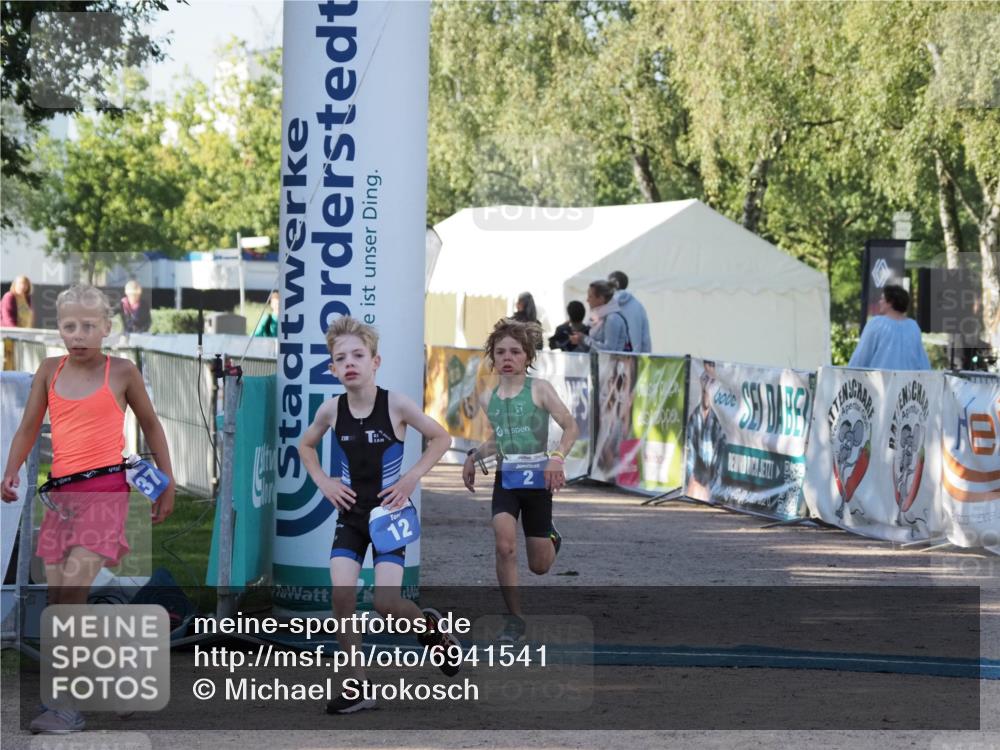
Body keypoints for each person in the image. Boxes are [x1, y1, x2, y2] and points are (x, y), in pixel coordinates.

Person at [1, 284, 175, 734]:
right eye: (68, 326)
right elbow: (26, 428)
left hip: (107, 494)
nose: (77, 335)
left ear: (107, 328)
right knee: (57, 600)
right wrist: (12, 470)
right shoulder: (47, 370)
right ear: (58, 328)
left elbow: (152, 427)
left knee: (73, 596)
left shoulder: (122, 372)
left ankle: (66, 707)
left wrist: (167, 482)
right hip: (60, 498)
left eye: (88, 326)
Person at [298, 316, 461, 714]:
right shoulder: (332, 410)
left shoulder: (397, 404)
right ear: (333, 369)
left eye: (358, 355)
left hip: (389, 517)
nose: (350, 362)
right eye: (341, 358)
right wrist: (324, 482)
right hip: (351, 517)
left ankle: (432, 630)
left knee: (387, 605)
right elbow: (305, 446)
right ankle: (358, 685)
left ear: (376, 361)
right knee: (342, 596)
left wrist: (411, 479)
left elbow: (441, 437)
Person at [462, 318, 578, 643]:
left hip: (538, 482)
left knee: (539, 566)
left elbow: (571, 427)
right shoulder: (488, 398)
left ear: (527, 356)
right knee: (504, 544)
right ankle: (515, 620)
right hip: (507, 481)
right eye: (501, 352)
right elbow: (499, 440)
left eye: (515, 351)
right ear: (493, 357)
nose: (508, 358)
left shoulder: (540, 389)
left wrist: (557, 458)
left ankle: (552, 536)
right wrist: (473, 456)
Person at [848, 284, 930, 370]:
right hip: (907, 382)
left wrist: (848, 376)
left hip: (879, 382)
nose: (880, 302)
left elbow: (861, 356)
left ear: (890, 302)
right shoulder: (913, 326)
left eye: (882, 299)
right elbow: (922, 361)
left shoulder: (876, 323)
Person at [684, 361, 725, 502]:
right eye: (705, 379)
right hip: (693, 487)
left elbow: (719, 467)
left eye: (711, 380)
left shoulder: (720, 423)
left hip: (709, 490)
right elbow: (689, 459)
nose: (707, 385)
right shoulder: (694, 418)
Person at [569, 280, 632, 353]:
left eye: (590, 296)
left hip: (611, 364)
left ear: (601, 299)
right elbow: (593, 348)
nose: (587, 300)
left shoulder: (612, 318)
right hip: (599, 363)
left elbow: (609, 350)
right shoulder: (600, 317)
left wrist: (584, 338)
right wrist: (580, 340)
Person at [607, 271, 652, 353]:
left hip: (610, 358)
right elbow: (645, 339)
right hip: (633, 358)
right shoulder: (638, 306)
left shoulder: (605, 305)